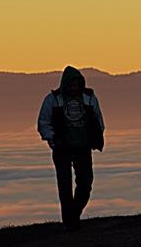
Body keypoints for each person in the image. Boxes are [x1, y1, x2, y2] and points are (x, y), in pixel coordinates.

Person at [36, 66, 106, 230]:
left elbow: (98, 119)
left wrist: (95, 137)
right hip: (62, 149)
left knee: (85, 183)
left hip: (83, 147)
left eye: (77, 84)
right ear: (65, 84)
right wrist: (53, 140)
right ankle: (70, 223)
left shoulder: (89, 98)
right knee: (65, 186)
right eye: (71, 84)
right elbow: (43, 122)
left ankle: (72, 216)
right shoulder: (53, 100)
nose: (74, 87)